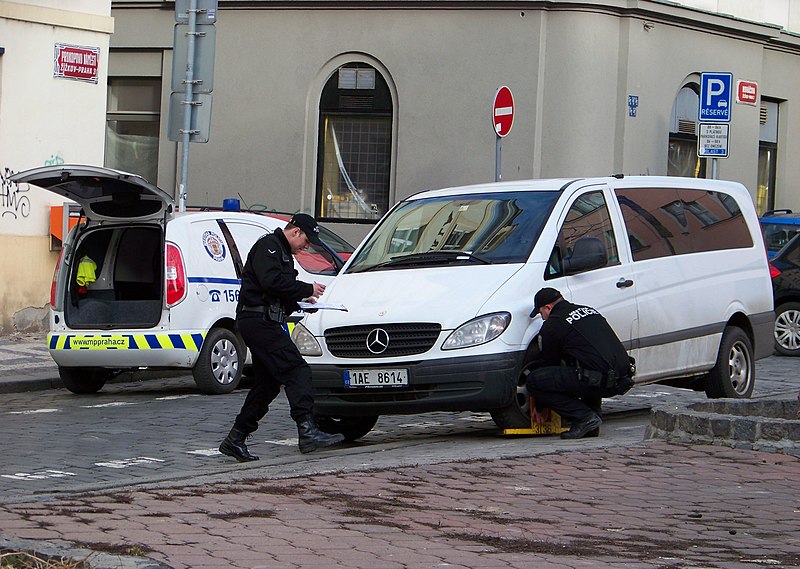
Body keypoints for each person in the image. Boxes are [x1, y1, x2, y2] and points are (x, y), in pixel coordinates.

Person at [219, 213, 345, 461]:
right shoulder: (270, 246)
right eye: (306, 241)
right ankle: (307, 431)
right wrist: (306, 289)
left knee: (267, 385)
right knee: (297, 370)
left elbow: (278, 290)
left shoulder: (283, 253)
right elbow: (271, 282)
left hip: (263, 320)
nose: (306, 247)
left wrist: (302, 302)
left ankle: (236, 438)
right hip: (258, 321)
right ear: (295, 231)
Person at [525, 287, 634, 439]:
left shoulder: (553, 324)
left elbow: (549, 362)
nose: (542, 318)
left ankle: (584, 418)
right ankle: (592, 422)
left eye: (541, 313)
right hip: (622, 377)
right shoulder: (589, 311)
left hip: (600, 381)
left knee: (536, 381)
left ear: (548, 307)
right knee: (585, 368)